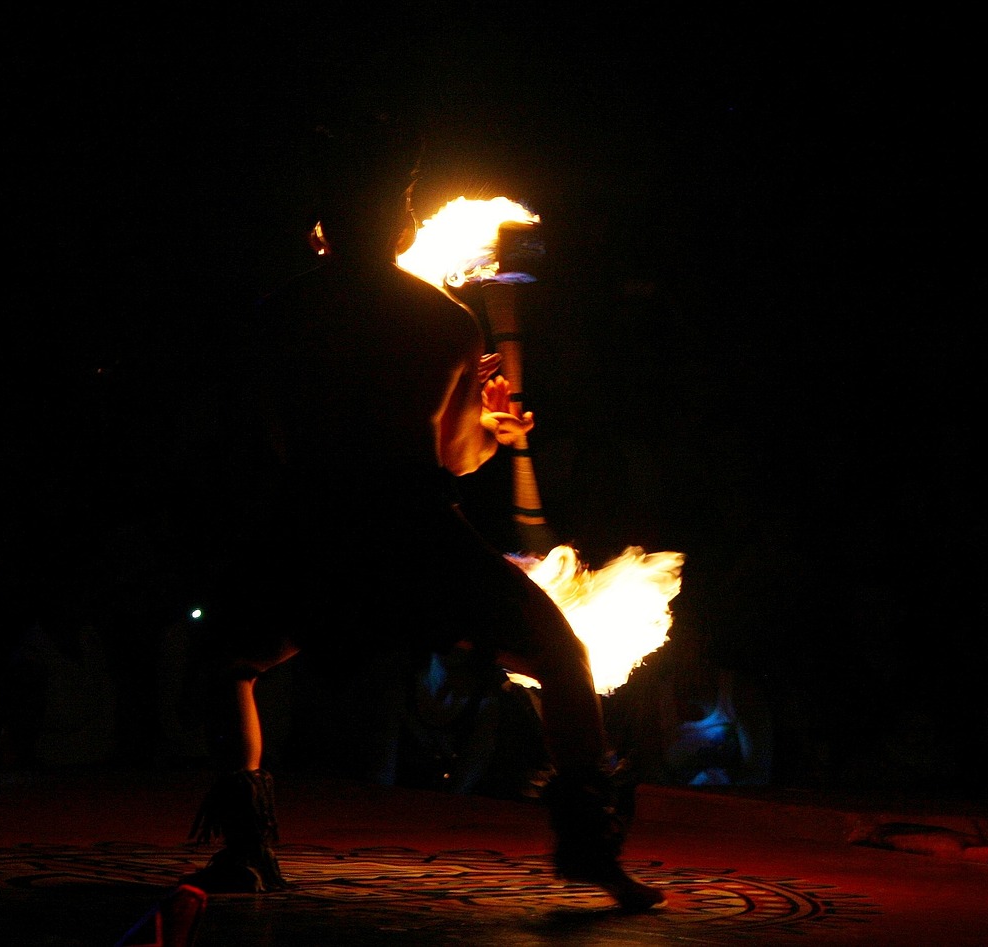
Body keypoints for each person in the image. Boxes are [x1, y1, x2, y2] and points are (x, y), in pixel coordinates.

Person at [175, 102, 663, 911]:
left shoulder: (279, 314)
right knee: (560, 656)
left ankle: (246, 849)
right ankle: (588, 848)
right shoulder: (442, 319)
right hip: (409, 534)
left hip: (315, 531)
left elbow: (264, 440)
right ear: (395, 217)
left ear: (326, 220)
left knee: (229, 659)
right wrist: (498, 429)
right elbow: (455, 457)